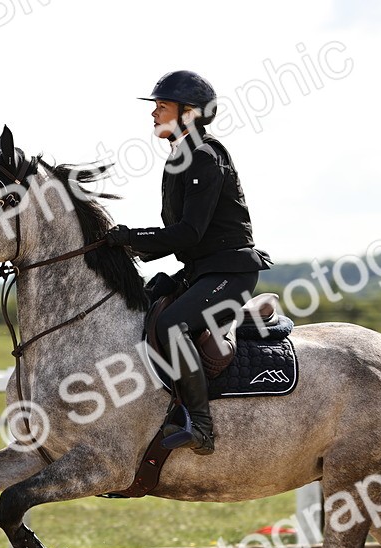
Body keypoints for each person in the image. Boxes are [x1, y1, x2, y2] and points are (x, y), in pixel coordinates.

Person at [105, 70, 271, 456]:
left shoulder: (202, 156)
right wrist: (124, 247)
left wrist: (131, 239)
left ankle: (201, 424)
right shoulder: (182, 155)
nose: (154, 114)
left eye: (161, 106)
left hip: (230, 273)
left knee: (171, 323)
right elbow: (180, 237)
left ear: (189, 113)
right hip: (204, 270)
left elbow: (188, 233)